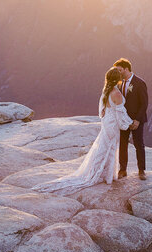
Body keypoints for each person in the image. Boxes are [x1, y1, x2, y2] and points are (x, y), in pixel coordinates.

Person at [31, 67, 133, 195]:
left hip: (107, 123)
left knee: (104, 147)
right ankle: (106, 175)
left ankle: (101, 173)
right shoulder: (117, 94)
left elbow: (104, 111)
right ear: (118, 80)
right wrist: (130, 123)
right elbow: (120, 115)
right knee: (111, 148)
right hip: (113, 125)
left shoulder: (106, 91)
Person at [113, 58, 148, 181]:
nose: (118, 72)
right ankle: (122, 170)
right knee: (123, 144)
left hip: (136, 120)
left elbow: (144, 104)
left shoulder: (140, 83)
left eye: (119, 70)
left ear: (126, 69)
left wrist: (137, 120)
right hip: (124, 120)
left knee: (139, 144)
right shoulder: (119, 83)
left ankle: (141, 170)